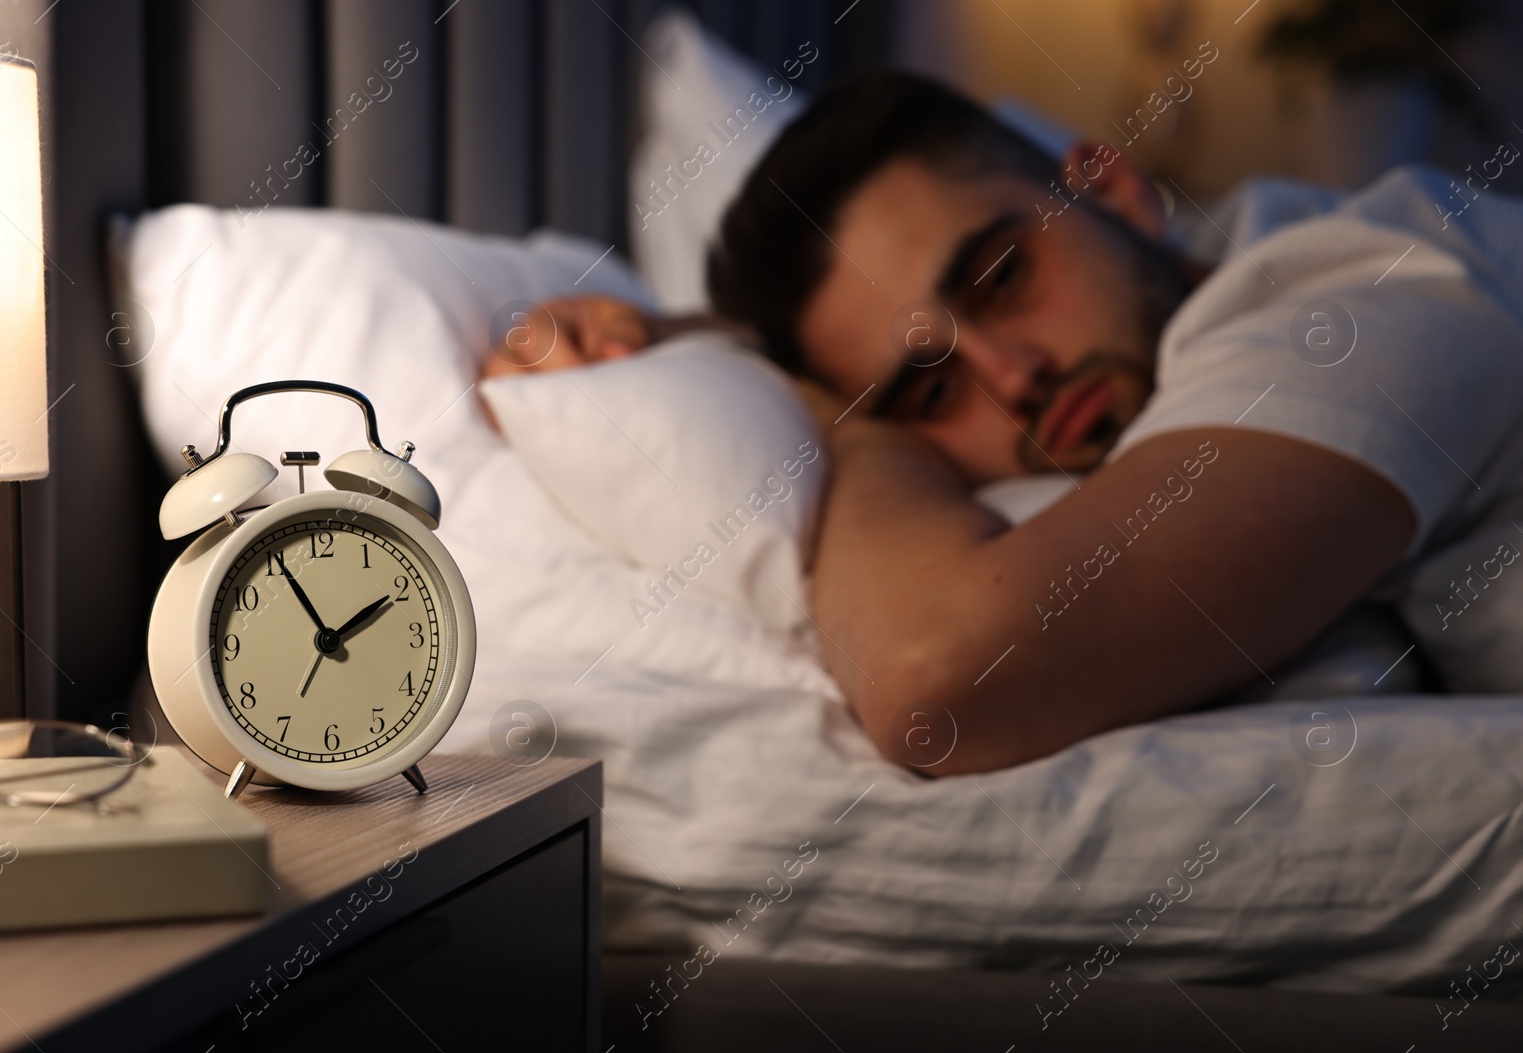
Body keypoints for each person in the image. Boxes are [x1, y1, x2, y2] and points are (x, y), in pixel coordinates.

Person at [481, 72, 1523, 776]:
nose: (1012, 374)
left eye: (1003, 276)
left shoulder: (1380, 291)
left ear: (1108, 189)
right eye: (930, 389)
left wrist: (864, 428)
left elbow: (938, 675)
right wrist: (690, 333)